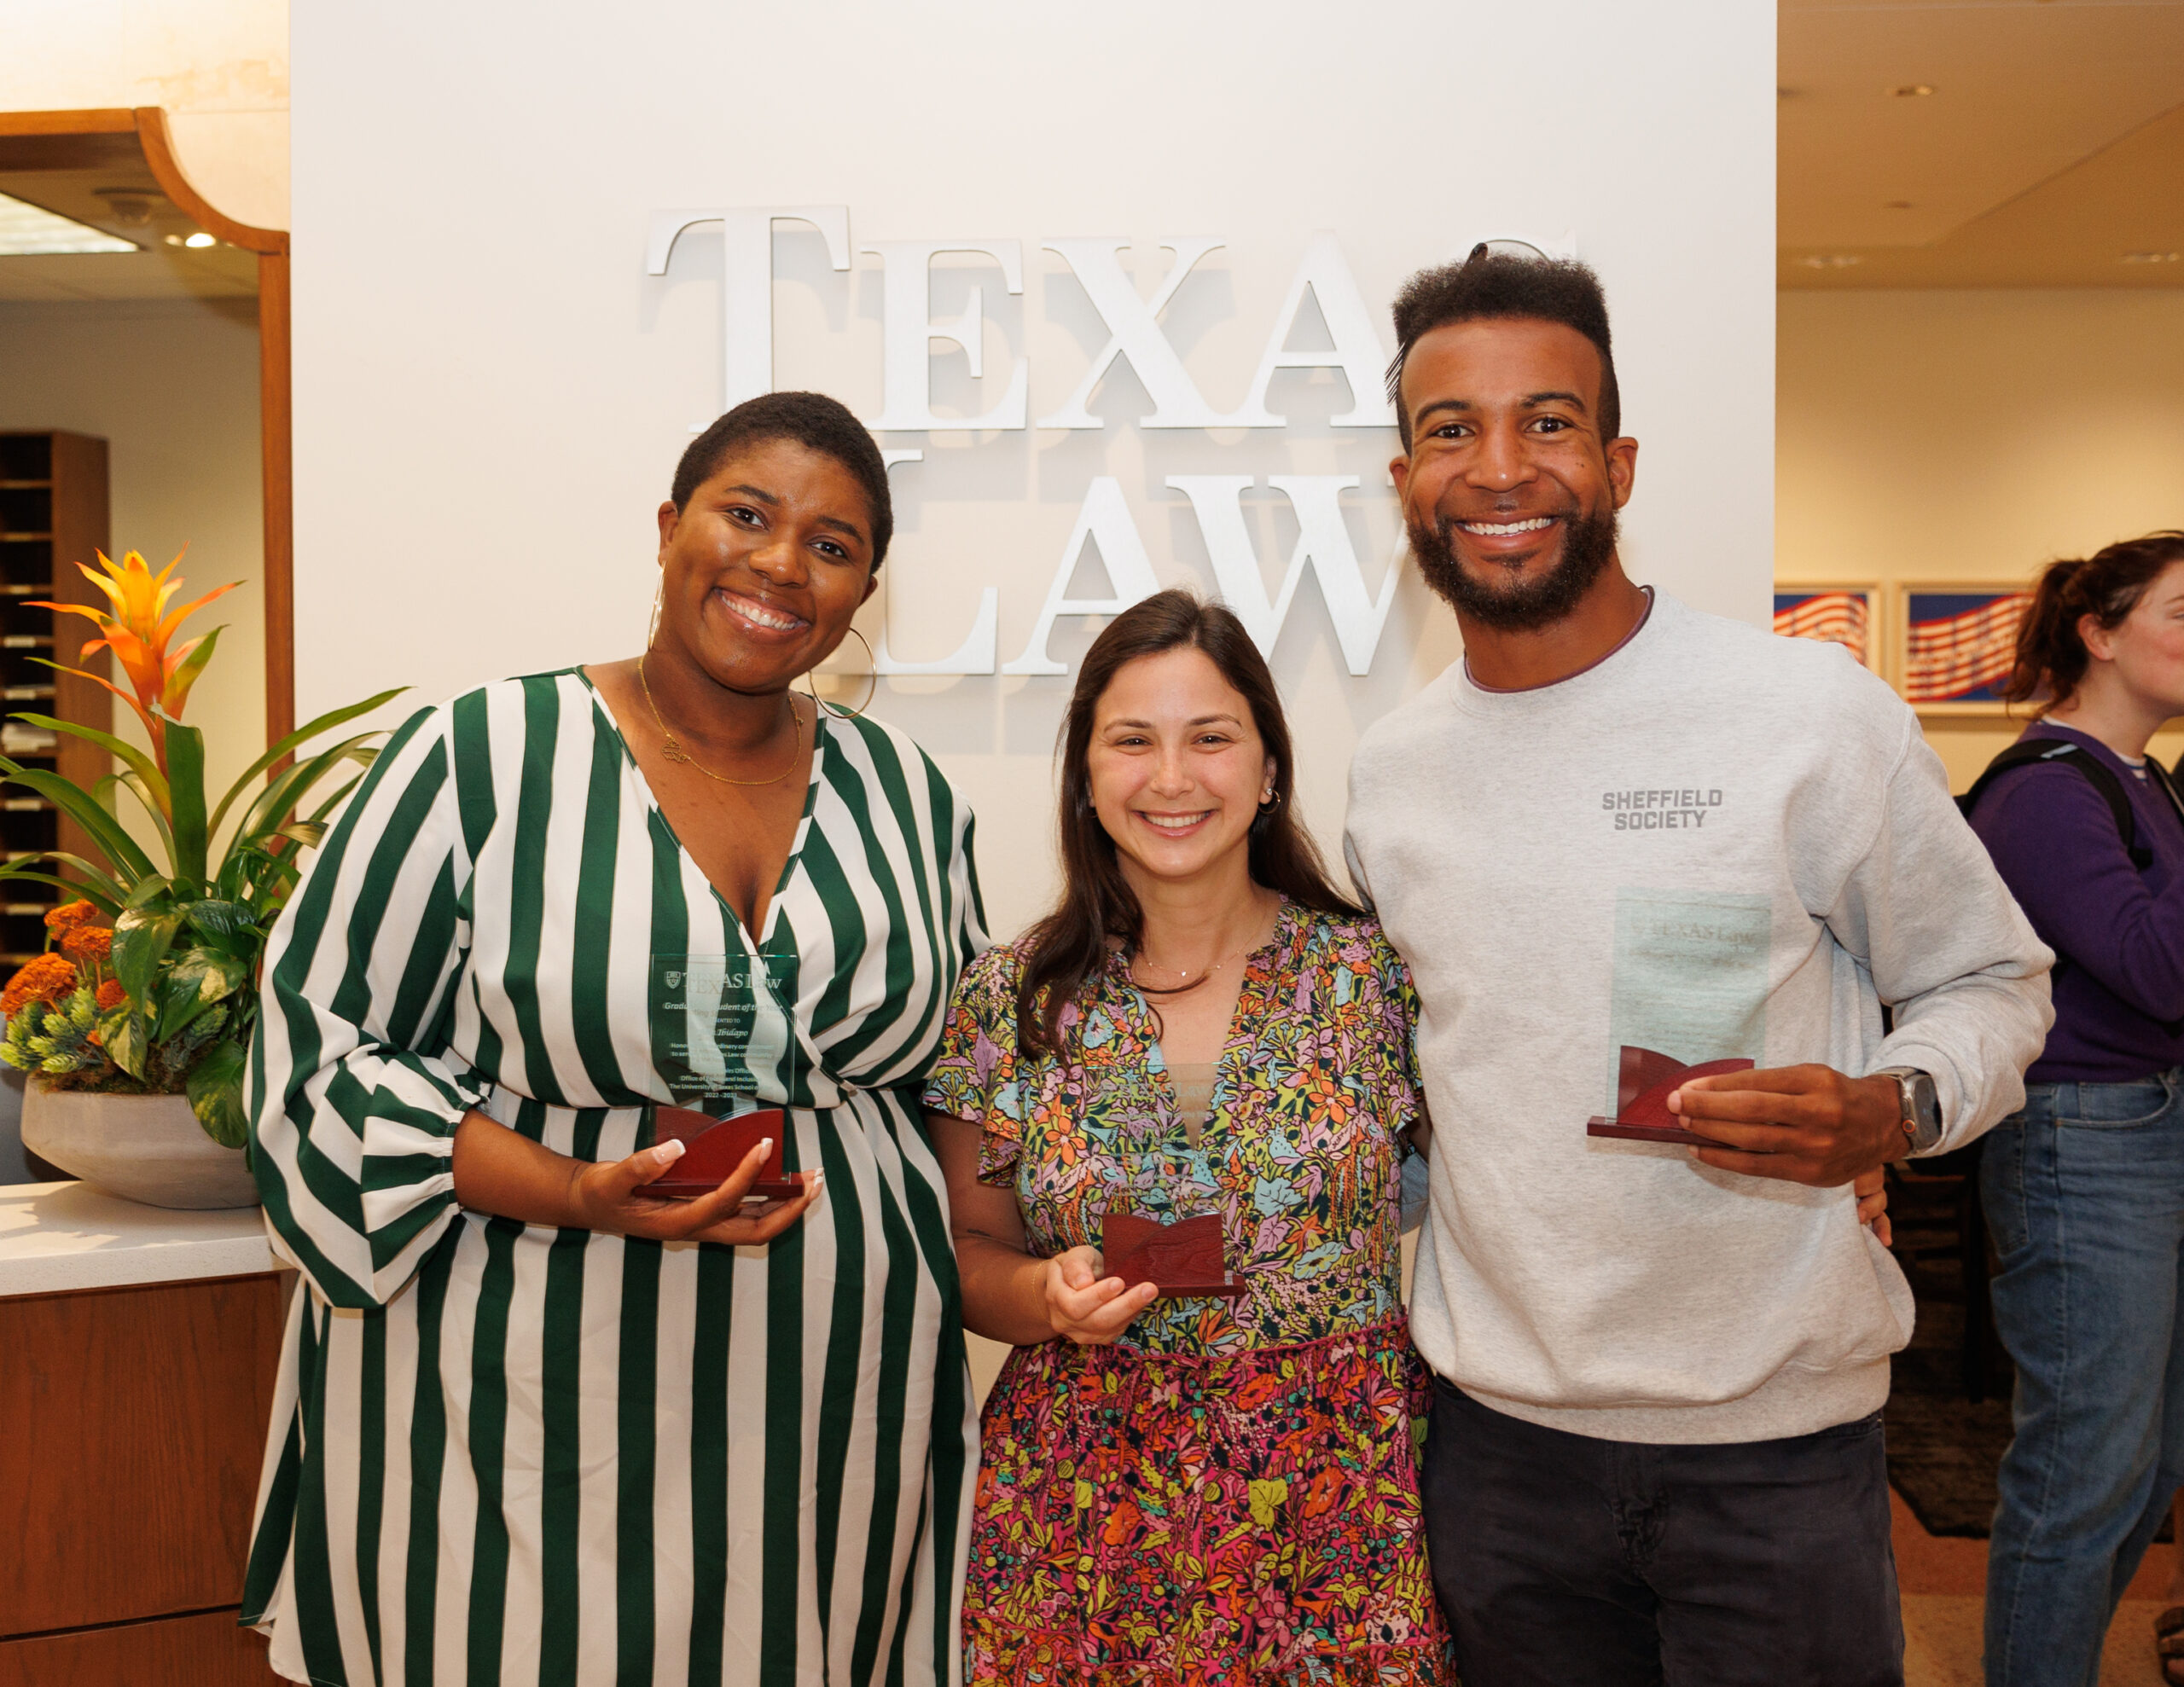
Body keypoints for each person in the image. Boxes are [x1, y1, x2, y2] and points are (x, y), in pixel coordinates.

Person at [1342, 251, 2054, 1686]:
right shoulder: (1391, 778)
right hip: (1499, 1452)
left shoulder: (1805, 714)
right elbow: (1439, 1090)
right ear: (1404, 478)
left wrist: (1891, 1110)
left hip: (1774, 1453)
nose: (1498, 469)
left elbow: (1996, 980)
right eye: (1450, 430)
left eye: (1547, 424)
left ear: (1616, 461)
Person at [242, 392, 985, 1686]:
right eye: (746, 514)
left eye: (831, 543)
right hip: (518, 1378)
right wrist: (574, 1187)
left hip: (827, 1409)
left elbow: (967, 1084)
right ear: (666, 527)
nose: (777, 563)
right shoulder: (476, 755)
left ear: (867, 587)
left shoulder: (910, 794)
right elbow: (319, 1059)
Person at [924, 590, 1454, 1686]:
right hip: (1080, 1500)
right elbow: (966, 1250)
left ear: (1268, 768)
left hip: (1339, 1495)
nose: (1172, 778)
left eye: (1211, 737)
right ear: (1085, 773)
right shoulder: (1012, 996)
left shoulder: (1378, 979)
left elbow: (1495, 1173)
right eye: (1133, 741)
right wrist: (1044, 1299)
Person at [1960, 532, 2184, 1687]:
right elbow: (2159, 969)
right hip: (2083, 1139)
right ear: (2100, 632)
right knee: (2083, 1470)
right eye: (2182, 612)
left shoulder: (2145, 781)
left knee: (2146, 1466)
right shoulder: (2048, 789)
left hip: (2147, 1125)